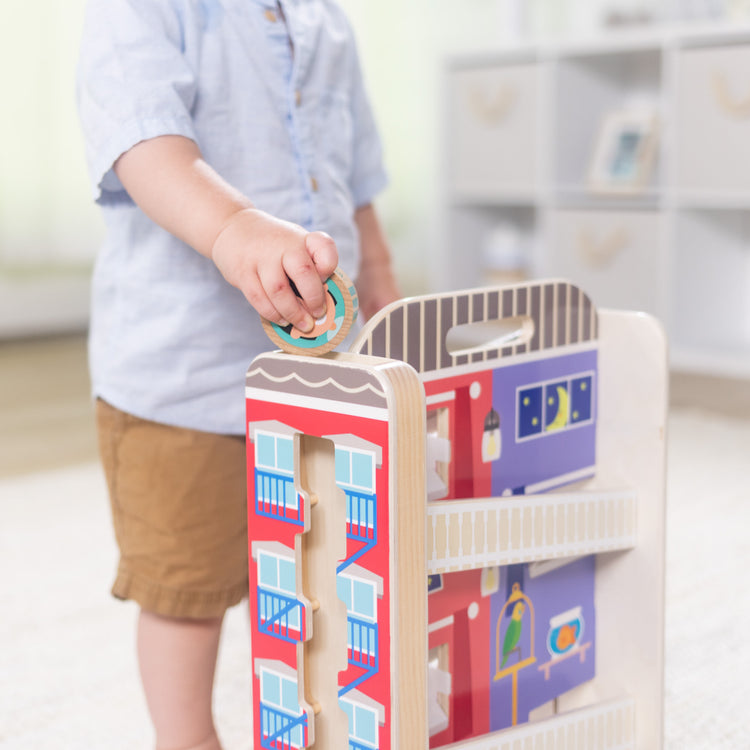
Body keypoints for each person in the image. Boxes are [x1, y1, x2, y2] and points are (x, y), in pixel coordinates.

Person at [76, 1, 399, 748]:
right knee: (186, 588)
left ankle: (305, 719)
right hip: (179, 379)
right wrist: (231, 226)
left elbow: (355, 165)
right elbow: (144, 141)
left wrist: (378, 272)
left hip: (317, 380)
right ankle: (185, 736)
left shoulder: (326, 18)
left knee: (313, 565)